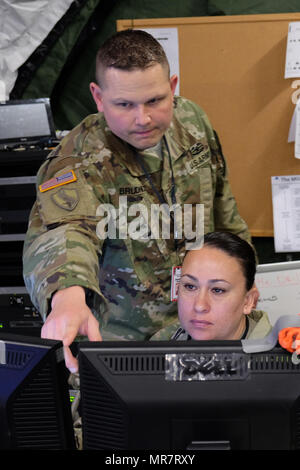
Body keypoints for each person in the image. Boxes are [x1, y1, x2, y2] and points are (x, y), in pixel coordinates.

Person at [23, 29, 252, 372]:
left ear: (173, 86)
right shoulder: (77, 159)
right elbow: (66, 234)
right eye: (125, 105)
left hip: (201, 335)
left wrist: (248, 279)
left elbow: (224, 211)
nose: (143, 119)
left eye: (155, 101)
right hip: (124, 351)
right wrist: (67, 298)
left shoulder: (193, 124)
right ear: (98, 98)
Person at [151, 231, 272, 341]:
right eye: (190, 286)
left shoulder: (278, 361)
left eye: (218, 290)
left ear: (248, 301)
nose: (199, 305)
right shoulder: (162, 343)